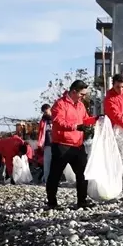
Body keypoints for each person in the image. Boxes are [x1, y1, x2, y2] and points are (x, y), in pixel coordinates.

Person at [45, 80, 98, 211]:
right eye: (82, 94)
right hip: (62, 145)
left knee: (83, 173)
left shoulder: (80, 105)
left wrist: (96, 119)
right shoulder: (59, 104)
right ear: (74, 91)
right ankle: (52, 202)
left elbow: (85, 119)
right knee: (55, 175)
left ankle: (82, 201)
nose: (83, 97)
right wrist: (76, 127)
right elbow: (58, 122)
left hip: (77, 145)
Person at [38, 104, 53, 183]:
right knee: (47, 163)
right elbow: (41, 132)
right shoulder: (43, 121)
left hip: (57, 143)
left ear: (50, 109)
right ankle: (47, 180)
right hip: (47, 144)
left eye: (46, 111)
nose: (45, 113)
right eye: (44, 112)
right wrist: (40, 143)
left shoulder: (56, 117)